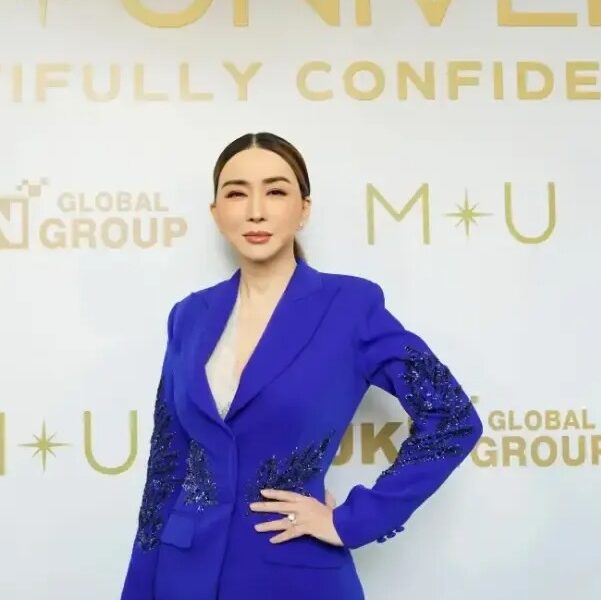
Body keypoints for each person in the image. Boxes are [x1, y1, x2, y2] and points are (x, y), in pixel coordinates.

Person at [119, 132, 483, 599]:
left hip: (293, 575)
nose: (256, 210)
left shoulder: (350, 306)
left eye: (275, 191)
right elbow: (166, 469)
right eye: (236, 193)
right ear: (216, 212)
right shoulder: (189, 316)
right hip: (181, 574)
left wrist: (353, 521)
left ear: (303, 209)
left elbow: (453, 418)